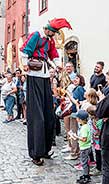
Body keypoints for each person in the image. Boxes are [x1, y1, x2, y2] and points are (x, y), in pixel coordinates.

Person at [20, 18, 72, 165]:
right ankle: (36, 153)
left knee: (49, 115)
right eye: (53, 32)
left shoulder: (50, 41)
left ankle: (45, 149)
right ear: (47, 29)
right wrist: (24, 65)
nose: (54, 35)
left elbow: (53, 54)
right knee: (38, 117)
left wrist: (57, 65)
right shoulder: (37, 35)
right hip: (34, 75)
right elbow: (25, 50)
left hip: (44, 77)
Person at [73, 110, 92, 184]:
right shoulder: (85, 126)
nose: (76, 119)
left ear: (80, 120)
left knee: (84, 163)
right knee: (85, 162)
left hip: (85, 148)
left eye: (77, 118)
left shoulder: (84, 128)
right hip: (86, 147)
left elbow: (84, 139)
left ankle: (86, 176)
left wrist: (76, 137)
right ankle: (86, 174)